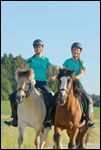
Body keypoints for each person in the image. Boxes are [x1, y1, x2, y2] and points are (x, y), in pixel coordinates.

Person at [4, 39, 55, 128]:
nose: (37, 49)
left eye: (39, 47)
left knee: (51, 97)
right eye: (36, 47)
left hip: (42, 83)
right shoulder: (30, 60)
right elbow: (25, 72)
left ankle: (49, 120)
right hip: (31, 83)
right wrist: (30, 79)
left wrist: (51, 77)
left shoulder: (47, 60)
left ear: (42, 48)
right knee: (12, 96)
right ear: (34, 49)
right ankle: (15, 118)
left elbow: (49, 73)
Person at [62, 42, 95, 129]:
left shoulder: (82, 62)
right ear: (71, 51)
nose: (76, 52)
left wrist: (73, 78)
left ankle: (88, 120)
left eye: (77, 50)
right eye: (74, 50)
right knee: (56, 96)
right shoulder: (67, 61)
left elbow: (81, 73)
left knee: (88, 100)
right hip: (67, 84)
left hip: (77, 85)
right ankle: (52, 118)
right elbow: (63, 72)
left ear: (80, 52)